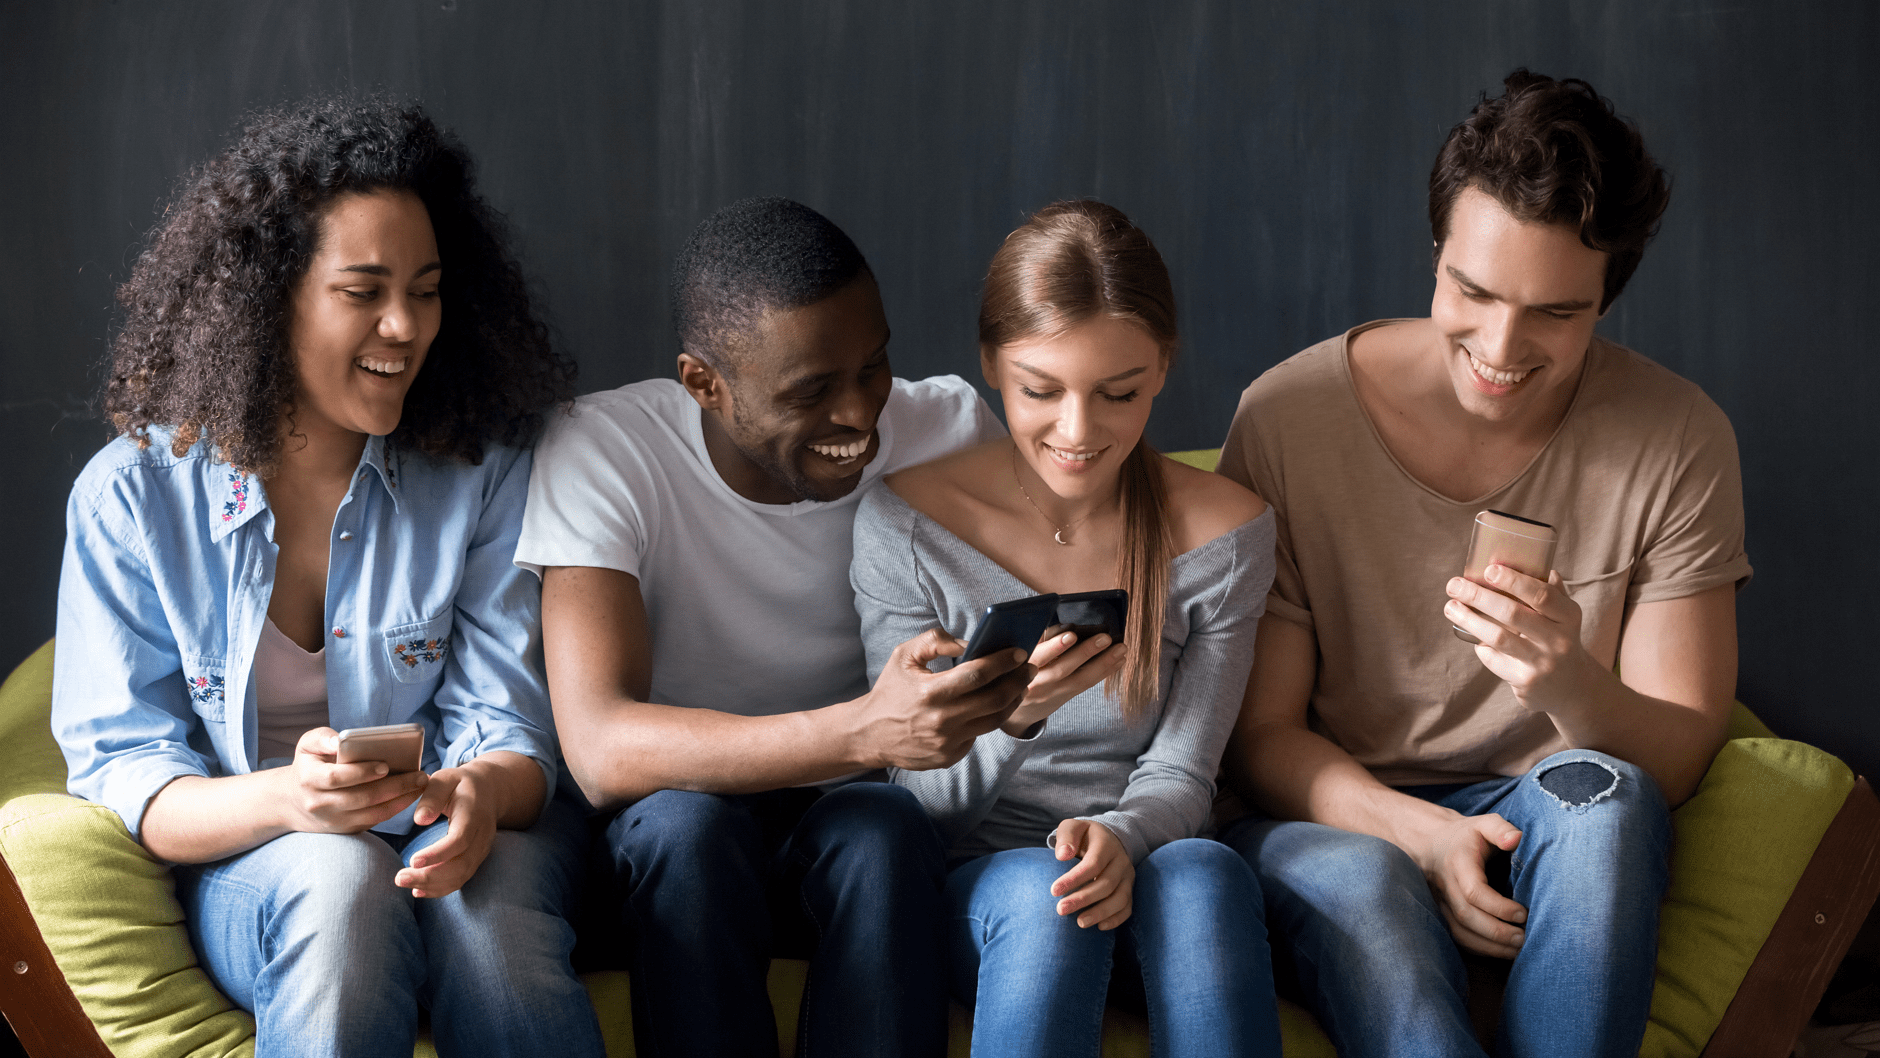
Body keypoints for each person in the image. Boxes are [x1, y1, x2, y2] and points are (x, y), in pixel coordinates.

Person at [50, 99, 604, 1057]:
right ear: (269, 300)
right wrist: (289, 803)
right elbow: (129, 771)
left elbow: (513, 724)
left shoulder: (486, 472)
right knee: (336, 884)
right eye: (365, 290)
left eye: (427, 290)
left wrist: (476, 795)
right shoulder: (132, 498)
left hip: (457, 829)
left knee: (492, 926)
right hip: (259, 860)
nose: (405, 326)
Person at [1216, 70, 1750, 1058]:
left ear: (1605, 297)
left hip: (1538, 812)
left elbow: (1673, 756)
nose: (1499, 349)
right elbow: (1258, 737)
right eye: (1471, 290)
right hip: (1333, 817)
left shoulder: (1676, 437)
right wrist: (1413, 832)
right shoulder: (1288, 416)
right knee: (1369, 880)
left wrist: (1569, 681)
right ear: (1435, 255)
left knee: (1606, 799)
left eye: (1555, 312)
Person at [516, 196, 1026, 1057]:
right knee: (689, 830)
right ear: (703, 383)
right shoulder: (606, 449)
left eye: (874, 367)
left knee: (886, 830)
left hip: (853, 814)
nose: (861, 414)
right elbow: (601, 753)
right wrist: (867, 729)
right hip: (671, 834)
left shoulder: (945, 429)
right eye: (811, 390)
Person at [852, 199, 1283, 1057]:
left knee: (1206, 873)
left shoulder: (1228, 535)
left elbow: (1184, 770)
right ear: (990, 367)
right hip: (987, 890)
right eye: (1039, 392)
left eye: (1118, 393)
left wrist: (1119, 837)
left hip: (1154, 859)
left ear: (1162, 367)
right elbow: (914, 810)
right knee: (1049, 896)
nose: (1079, 433)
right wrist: (1011, 722)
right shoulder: (906, 523)